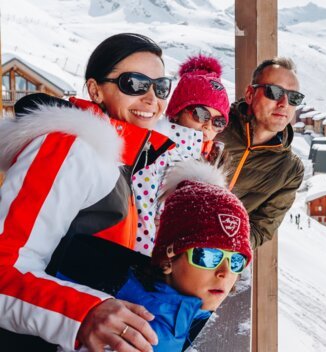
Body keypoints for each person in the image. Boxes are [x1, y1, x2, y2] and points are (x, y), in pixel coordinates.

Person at [0, 33, 175, 351]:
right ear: (96, 89)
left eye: (161, 86)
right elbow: (3, 269)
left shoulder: (117, 159)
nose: (152, 98)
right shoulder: (68, 147)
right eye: (134, 83)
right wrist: (82, 313)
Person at [116, 160, 252, 352]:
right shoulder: (140, 335)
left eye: (237, 261)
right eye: (208, 255)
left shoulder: (179, 319)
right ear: (168, 258)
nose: (225, 272)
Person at [132, 54, 230, 256]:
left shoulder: (212, 157)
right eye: (200, 114)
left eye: (218, 121)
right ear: (177, 111)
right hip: (148, 255)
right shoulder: (158, 147)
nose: (207, 124)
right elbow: (142, 207)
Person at [215, 57, 305, 248]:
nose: (284, 103)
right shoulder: (213, 126)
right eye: (274, 92)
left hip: (215, 260)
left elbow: (260, 227)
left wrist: (224, 245)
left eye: (294, 97)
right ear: (250, 94)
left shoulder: (289, 170)